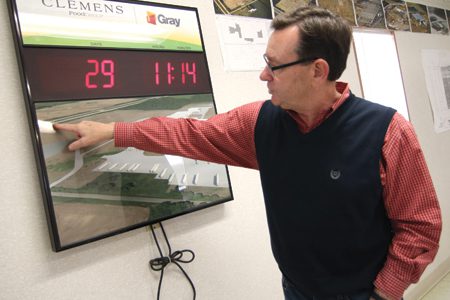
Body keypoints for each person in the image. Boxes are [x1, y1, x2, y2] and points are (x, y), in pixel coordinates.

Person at [54, 6, 442, 300]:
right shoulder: (260, 124)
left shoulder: (388, 133)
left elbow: (421, 227)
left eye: (273, 66)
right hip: (296, 289)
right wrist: (112, 130)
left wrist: (383, 293)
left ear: (317, 70)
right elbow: (190, 133)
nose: (263, 76)